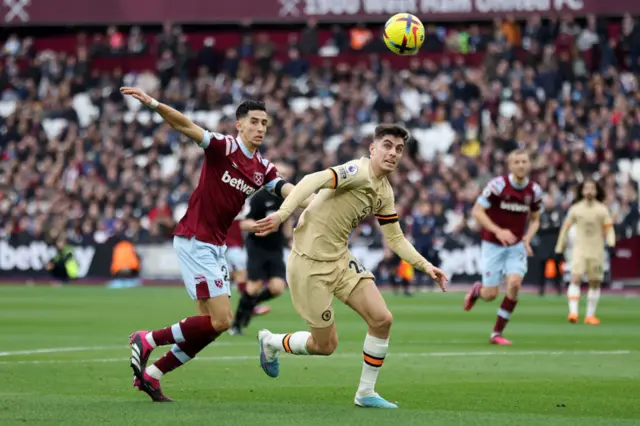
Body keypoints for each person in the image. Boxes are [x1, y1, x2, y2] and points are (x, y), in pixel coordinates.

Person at [119, 87, 310, 402]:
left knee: (210, 327)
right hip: (196, 238)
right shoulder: (224, 147)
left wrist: (316, 201)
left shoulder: (262, 168)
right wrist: (154, 103)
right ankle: (148, 339)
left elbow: (289, 190)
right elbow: (185, 126)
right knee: (223, 320)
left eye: (265, 123)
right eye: (255, 122)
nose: (261, 128)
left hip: (214, 244)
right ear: (240, 124)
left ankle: (152, 376)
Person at [253, 124, 448, 409]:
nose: (393, 153)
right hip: (308, 266)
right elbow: (311, 180)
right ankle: (272, 342)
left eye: (398, 149)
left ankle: (366, 392)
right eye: (387, 145)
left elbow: (394, 237)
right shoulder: (356, 171)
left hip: (341, 261)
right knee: (325, 346)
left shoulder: (385, 192)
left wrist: (425, 265)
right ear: (373, 149)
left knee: (382, 319)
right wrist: (283, 214)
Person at [464, 149, 542, 345]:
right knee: (490, 295)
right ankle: (477, 291)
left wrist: (527, 238)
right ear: (510, 165)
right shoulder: (498, 186)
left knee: (514, 284)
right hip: (493, 244)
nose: (521, 165)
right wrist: (498, 231)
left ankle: (496, 333)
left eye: (524, 161)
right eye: (517, 162)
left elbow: (535, 220)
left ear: (529, 164)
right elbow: (477, 212)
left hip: (516, 245)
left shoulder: (534, 191)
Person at [230, 162, 294, 335]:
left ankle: (250, 305)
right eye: (280, 173)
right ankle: (236, 324)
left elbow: (287, 221)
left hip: (275, 248)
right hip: (257, 247)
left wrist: (290, 240)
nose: (284, 177)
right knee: (254, 286)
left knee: (278, 287)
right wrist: (261, 227)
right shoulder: (258, 197)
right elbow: (243, 223)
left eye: (286, 174)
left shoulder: (287, 198)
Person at [554, 179, 615, 325]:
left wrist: (612, 244)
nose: (589, 191)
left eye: (592, 188)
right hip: (579, 249)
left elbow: (609, 228)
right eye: (586, 188)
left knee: (595, 282)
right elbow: (565, 229)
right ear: (581, 191)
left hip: (596, 250)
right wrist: (559, 247)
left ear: (596, 191)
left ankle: (590, 315)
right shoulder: (575, 209)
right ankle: (573, 313)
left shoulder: (602, 209)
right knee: (575, 278)